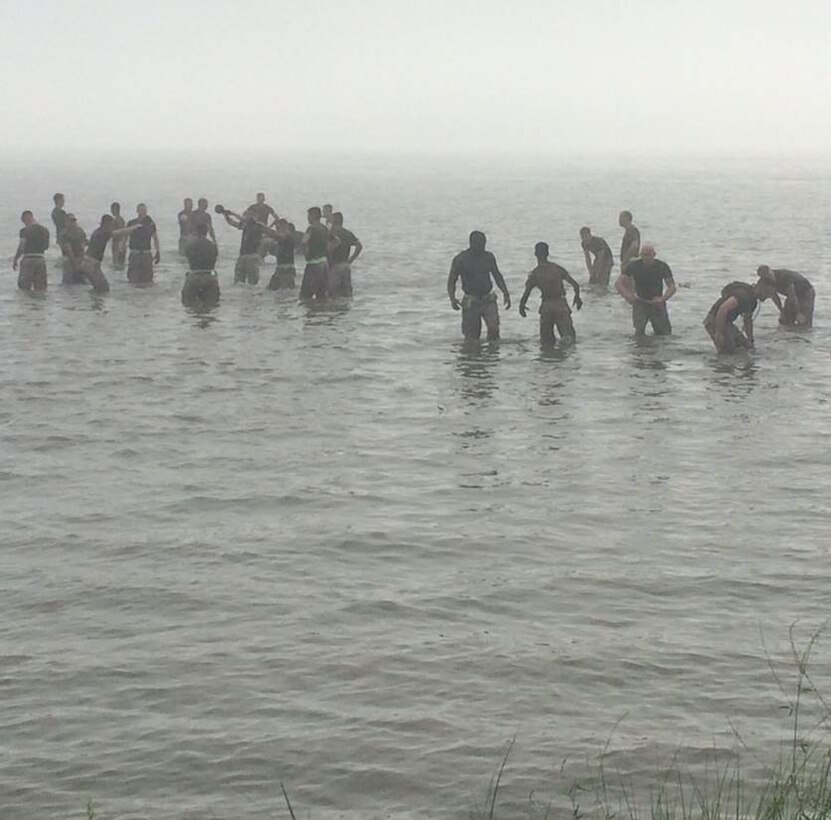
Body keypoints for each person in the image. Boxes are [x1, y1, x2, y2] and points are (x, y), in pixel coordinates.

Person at [447, 231, 511, 341]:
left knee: (494, 331)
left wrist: (506, 293)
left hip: (488, 299)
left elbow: (497, 275)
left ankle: (492, 355)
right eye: (480, 244)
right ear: (472, 243)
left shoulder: (488, 257)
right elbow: (451, 281)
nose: (482, 247)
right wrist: (452, 299)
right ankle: (474, 356)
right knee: (472, 336)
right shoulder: (461, 259)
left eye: (484, 244)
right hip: (471, 301)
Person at [519, 242, 582, 345]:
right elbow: (575, 284)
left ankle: (548, 359)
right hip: (560, 304)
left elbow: (526, 293)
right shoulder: (557, 269)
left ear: (535, 254)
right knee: (569, 338)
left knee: (546, 342)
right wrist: (577, 298)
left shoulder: (535, 273)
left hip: (546, 306)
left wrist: (522, 307)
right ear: (548, 253)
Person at [615, 243, 676, 336]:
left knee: (664, 334)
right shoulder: (634, 266)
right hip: (640, 302)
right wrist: (628, 296)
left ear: (654, 255)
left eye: (648, 255)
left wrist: (662, 298)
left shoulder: (662, 266)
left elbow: (672, 287)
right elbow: (619, 283)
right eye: (643, 255)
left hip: (657, 303)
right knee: (639, 333)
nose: (646, 258)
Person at [77, 215, 140, 293]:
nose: (112, 226)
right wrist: (133, 228)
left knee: (100, 287)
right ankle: (92, 302)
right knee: (103, 288)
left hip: (89, 262)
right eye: (111, 224)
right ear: (106, 223)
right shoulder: (104, 231)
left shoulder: (98, 231)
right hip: (91, 264)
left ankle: (92, 302)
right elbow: (119, 233)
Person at [704, 281, 771, 353]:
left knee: (747, 348)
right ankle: (722, 362)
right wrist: (719, 332)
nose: (767, 297)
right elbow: (723, 309)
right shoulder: (742, 295)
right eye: (767, 293)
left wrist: (750, 341)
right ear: (761, 287)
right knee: (728, 351)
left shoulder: (753, 302)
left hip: (728, 323)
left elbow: (747, 321)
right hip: (715, 319)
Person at [219, 205, 272, 285]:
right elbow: (232, 223)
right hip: (242, 256)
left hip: (252, 256)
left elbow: (269, 231)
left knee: (253, 282)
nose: (246, 215)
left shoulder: (258, 225)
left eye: (248, 214)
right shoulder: (245, 226)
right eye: (246, 214)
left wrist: (233, 213)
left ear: (255, 215)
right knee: (238, 282)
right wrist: (226, 215)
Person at [300, 206, 337, 300]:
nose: (308, 218)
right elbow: (336, 241)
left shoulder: (311, 228)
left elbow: (303, 242)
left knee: (305, 296)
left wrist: (306, 254)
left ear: (313, 216)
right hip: (324, 265)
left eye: (309, 215)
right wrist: (327, 250)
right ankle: (321, 313)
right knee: (321, 295)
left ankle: (311, 313)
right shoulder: (324, 228)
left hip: (313, 264)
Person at [182, 221, 220, 307]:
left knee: (188, 303)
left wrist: (190, 239)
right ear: (206, 232)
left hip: (194, 276)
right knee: (212, 305)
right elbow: (215, 256)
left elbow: (186, 254)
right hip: (209, 276)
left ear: (197, 232)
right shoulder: (212, 245)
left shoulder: (191, 245)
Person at [327, 212, 362, 296]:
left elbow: (328, 249)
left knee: (333, 293)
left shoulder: (331, 233)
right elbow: (359, 246)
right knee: (347, 293)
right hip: (345, 265)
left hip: (334, 266)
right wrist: (351, 260)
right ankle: (346, 308)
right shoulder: (348, 233)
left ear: (333, 221)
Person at [13, 211, 50, 291]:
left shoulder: (24, 230)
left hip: (28, 259)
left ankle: (28, 303)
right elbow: (46, 246)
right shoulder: (45, 230)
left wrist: (15, 259)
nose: (24, 223)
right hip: (41, 259)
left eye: (23, 221)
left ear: (26, 218)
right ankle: (39, 303)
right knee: (41, 288)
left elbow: (22, 246)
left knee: (24, 288)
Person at [126, 203, 161, 284]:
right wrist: (121, 249)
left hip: (146, 254)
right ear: (137, 211)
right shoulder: (131, 223)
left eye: (145, 210)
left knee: (148, 279)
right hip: (134, 254)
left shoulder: (150, 223)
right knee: (133, 278)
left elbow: (155, 238)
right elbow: (125, 237)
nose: (143, 212)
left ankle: (146, 295)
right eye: (141, 210)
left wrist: (158, 251)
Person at [267, 219, 297, 290]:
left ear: (284, 226)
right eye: (276, 228)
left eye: (278, 228)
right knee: (270, 290)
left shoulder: (287, 236)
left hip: (287, 270)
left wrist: (264, 228)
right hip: (280, 269)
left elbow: (275, 235)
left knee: (286, 291)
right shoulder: (283, 237)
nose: (277, 230)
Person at [60, 213, 88, 284]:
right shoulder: (65, 233)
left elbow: (84, 244)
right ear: (66, 222)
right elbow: (68, 249)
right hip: (69, 260)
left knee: (81, 282)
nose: (73, 223)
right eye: (70, 221)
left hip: (79, 258)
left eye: (74, 221)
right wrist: (75, 263)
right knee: (69, 283)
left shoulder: (80, 231)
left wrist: (81, 258)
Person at [110, 202, 127, 269]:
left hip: (118, 243)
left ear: (116, 209)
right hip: (119, 243)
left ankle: (118, 278)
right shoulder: (119, 219)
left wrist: (121, 244)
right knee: (119, 263)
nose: (111, 211)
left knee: (117, 263)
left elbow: (123, 232)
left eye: (112, 209)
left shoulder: (118, 220)